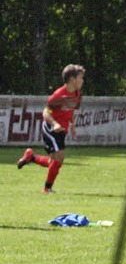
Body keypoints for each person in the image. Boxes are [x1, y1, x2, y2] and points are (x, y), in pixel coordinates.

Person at [17, 64, 85, 193]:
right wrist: (54, 124)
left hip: (62, 130)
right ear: (72, 79)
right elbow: (46, 113)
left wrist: (72, 124)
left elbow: (70, 110)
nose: (83, 81)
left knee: (53, 162)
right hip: (51, 128)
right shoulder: (58, 95)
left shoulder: (77, 95)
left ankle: (30, 157)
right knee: (60, 157)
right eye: (81, 78)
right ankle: (47, 189)